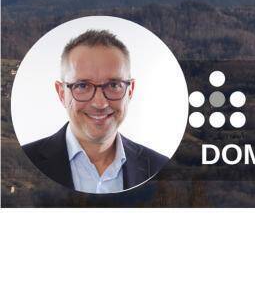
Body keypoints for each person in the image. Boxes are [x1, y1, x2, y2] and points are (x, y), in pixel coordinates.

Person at [20, 28, 170, 193]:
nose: (100, 103)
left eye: (114, 85)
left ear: (130, 91)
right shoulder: (22, 162)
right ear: (62, 93)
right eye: (82, 86)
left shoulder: (161, 168)